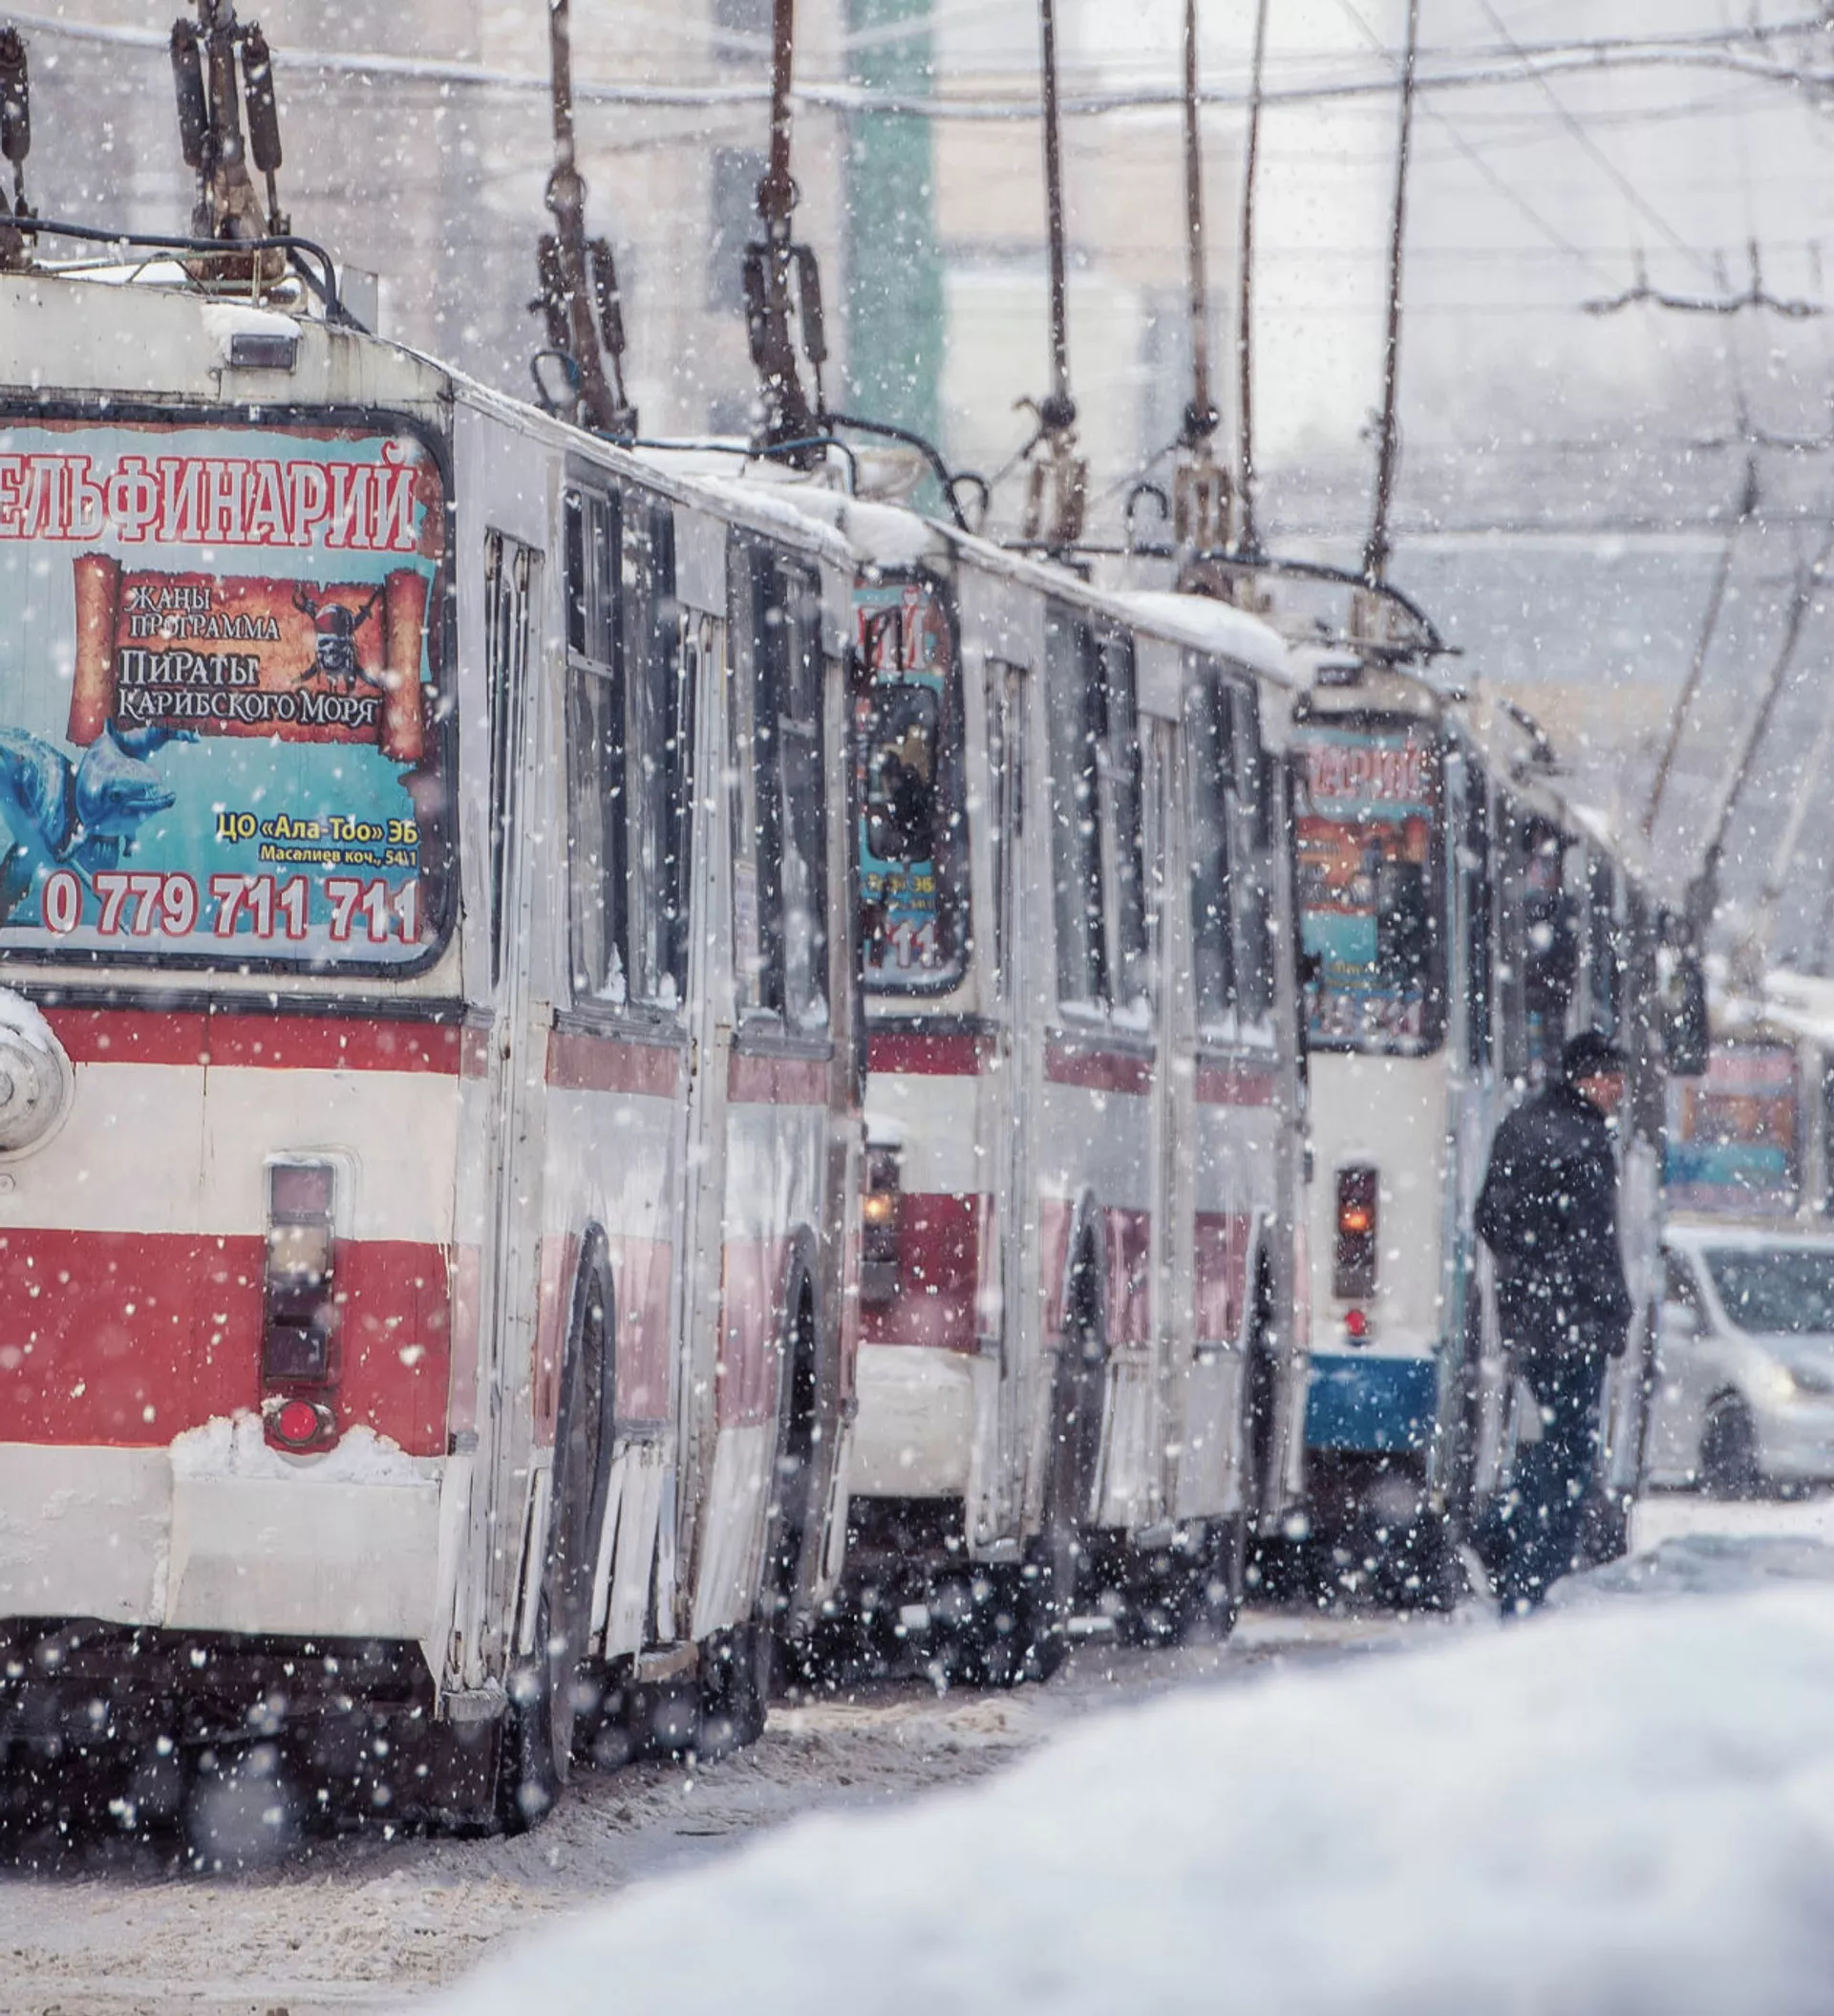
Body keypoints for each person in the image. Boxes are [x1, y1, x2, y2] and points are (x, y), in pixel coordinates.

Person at [1474, 1031, 1633, 1612]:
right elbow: (1596, 1244)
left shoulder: (1520, 1126)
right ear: (1587, 1079)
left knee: (1544, 1446)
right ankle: (1531, 1582)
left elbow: (1488, 1216)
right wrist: (1612, 1309)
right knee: (1568, 1459)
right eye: (1613, 1079)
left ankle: (1500, 1541)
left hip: (1530, 1321)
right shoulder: (1586, 1142)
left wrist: (1527, 1275)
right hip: (1575, 1326)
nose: (1619, 1092)